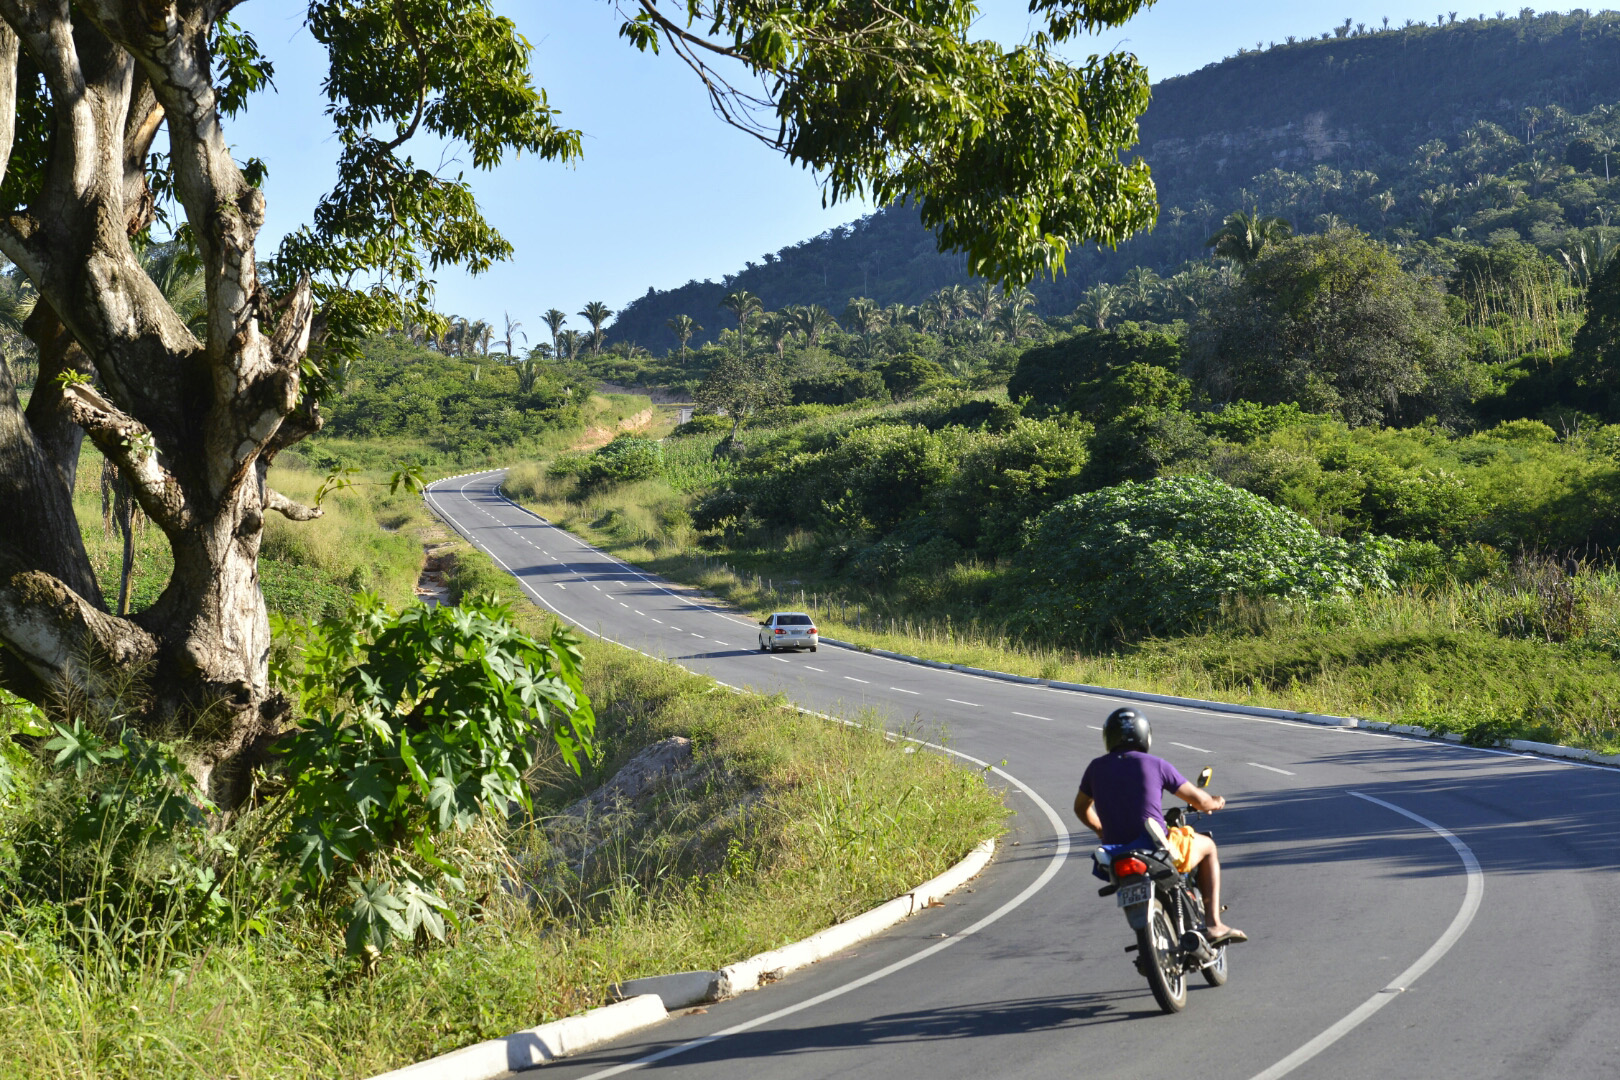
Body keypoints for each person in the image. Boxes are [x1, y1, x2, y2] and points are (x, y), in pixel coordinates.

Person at [1074, 707, 1247, 945]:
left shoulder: (1095, 768)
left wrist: (1101, 831)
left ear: (1109, 737)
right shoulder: (1156, 764)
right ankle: (1214, 924)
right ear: (1146, 735)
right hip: (1155, 845)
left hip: (1117, 851)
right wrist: (1215, 802)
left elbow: (1081, 807)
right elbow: (1199, 800)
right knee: (1208, 847)